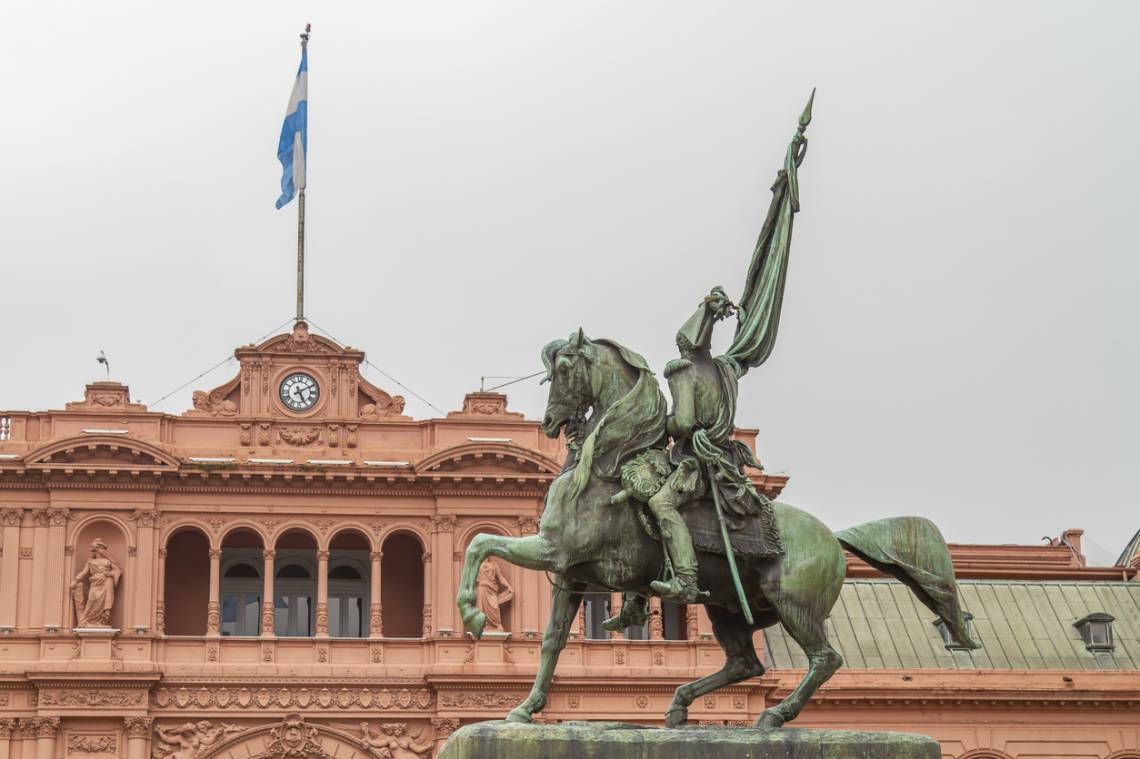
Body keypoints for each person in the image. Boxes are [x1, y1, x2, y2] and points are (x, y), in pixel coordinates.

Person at [70, 538, 122, 627]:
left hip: (106, 583)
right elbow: (84, 572)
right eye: (102, 548)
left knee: (105, 603)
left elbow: (118, 571)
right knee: (92, 600)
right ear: (97, 549)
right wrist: (75, 580)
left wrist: (109, 574)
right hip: (95, 583)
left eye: (103, 548)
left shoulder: (108, 561)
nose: (104, 550)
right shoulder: (90, 561)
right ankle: (88, 621)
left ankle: (101, 622)